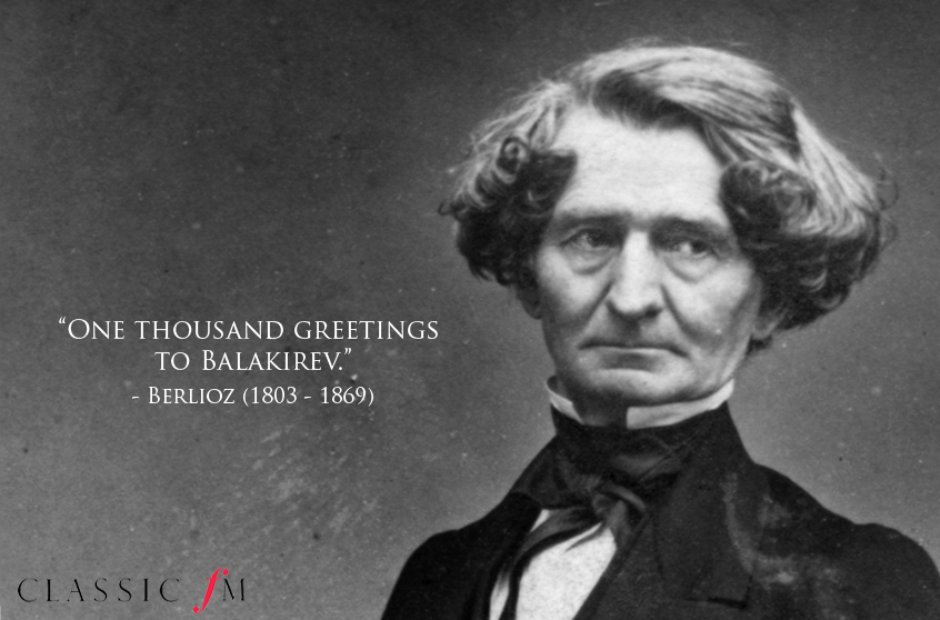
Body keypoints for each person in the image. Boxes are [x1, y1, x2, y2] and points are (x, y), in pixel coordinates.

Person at [382, 41, 940, 620]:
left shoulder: (855, 583)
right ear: (528, 276)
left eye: (692, 245)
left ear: (770, 298)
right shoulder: (440, 575)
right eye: (592, 237)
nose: (632, 298)